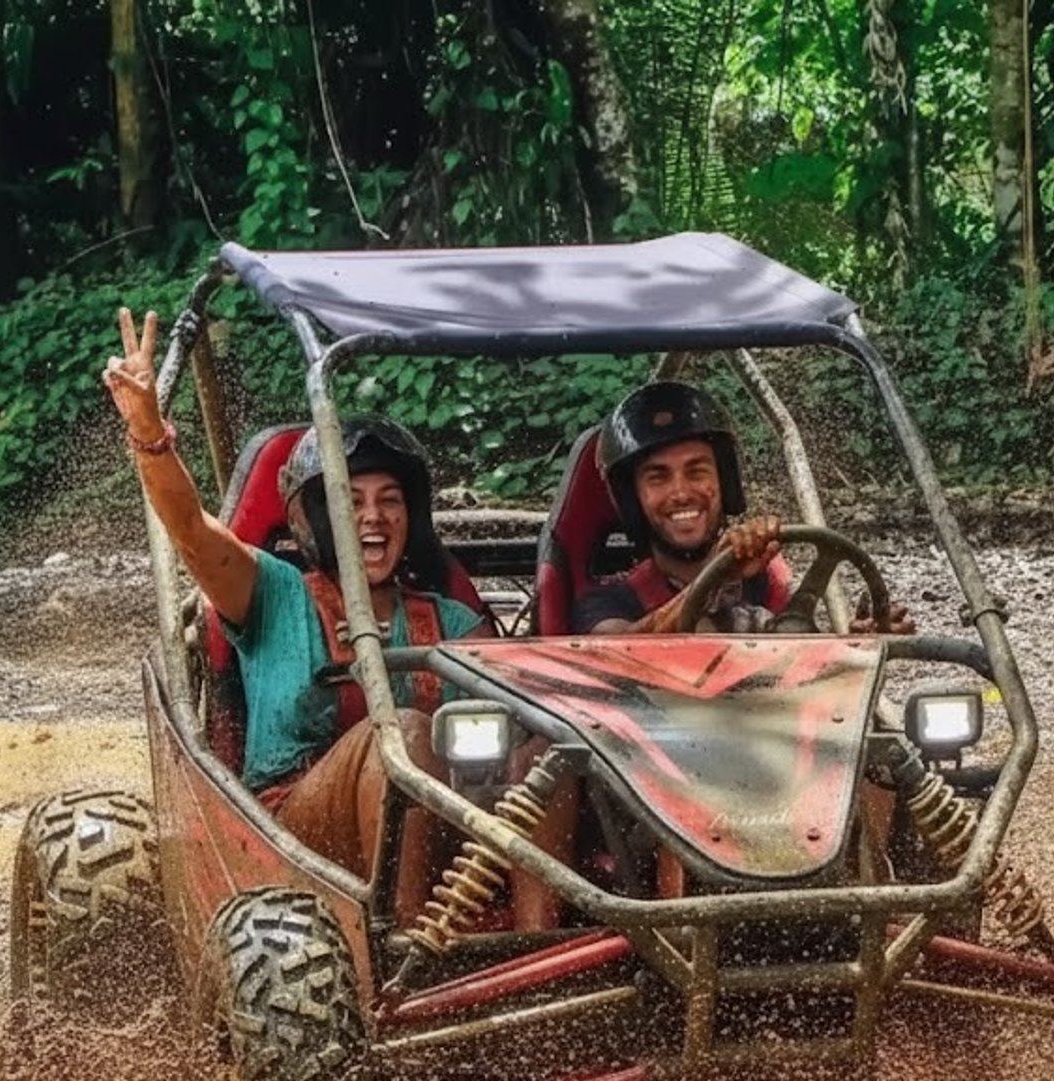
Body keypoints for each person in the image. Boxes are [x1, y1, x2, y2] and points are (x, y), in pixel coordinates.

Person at [102, 308, 567, 926]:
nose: (372, 518)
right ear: (315, 519)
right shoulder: (273, 592)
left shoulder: (450, 622)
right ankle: (397, 950)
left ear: (411, 518)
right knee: (398, 730)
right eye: (350, 501)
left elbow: (533, 705)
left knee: (552, 750)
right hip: (293, 829)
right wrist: (149, 435)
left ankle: (539, 948)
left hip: (454, 834)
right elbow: (189, 530)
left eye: (389, 502)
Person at [573, 381, 915, 636]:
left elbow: (795, 668)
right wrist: (714, 579)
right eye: (658, 477)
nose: (681, 493)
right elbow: (618, 658)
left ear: (726, 484)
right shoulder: (607, 602)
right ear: (632, 500)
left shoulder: (761, 581)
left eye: (697, 472)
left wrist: (858, 645)